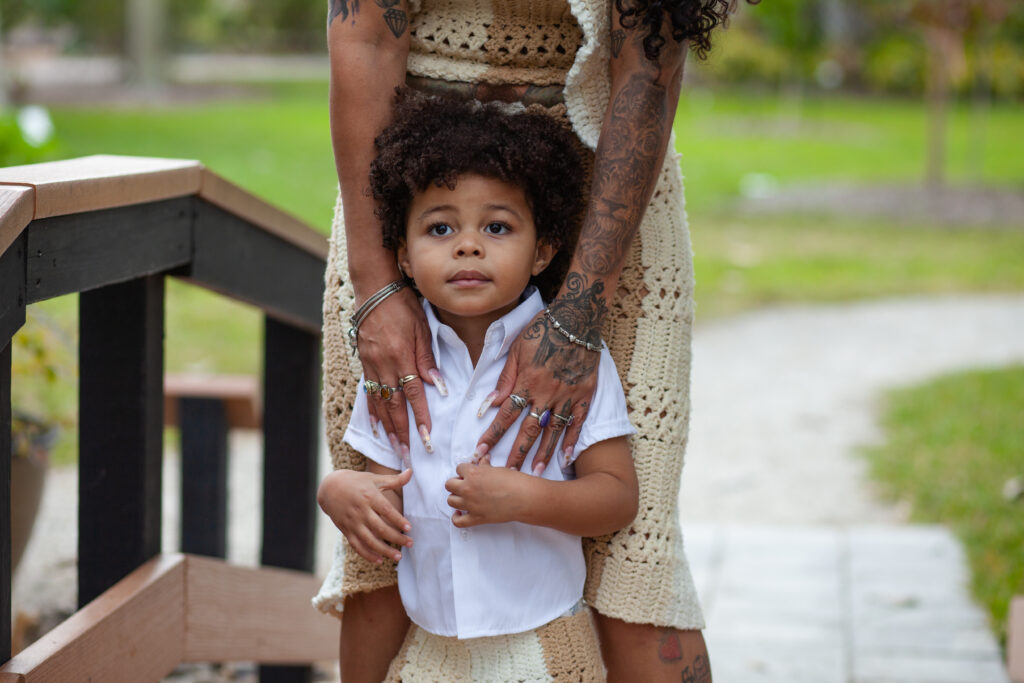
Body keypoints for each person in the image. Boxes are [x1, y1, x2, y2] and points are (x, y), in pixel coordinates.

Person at [315, 1, 752, 681]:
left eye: (486, 235)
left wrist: (579, 310)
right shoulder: (411, 250)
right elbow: (364, 34)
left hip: (609, 182)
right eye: (446, 238)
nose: (469, 248)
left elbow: (649, 55)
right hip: (405, 180)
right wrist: (378, 286)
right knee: (377, 571)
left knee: (640, 567)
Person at [320, 90, 640, 680]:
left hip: (543, 645)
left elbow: (617, 497)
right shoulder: (396, 368)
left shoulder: (568, 366)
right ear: (405, 258)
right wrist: (339, 491)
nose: (468, 244)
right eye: (440, 227)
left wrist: (526, 498)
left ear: (543, 250)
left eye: (497, 226)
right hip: (431, 648)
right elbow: (381, 489)